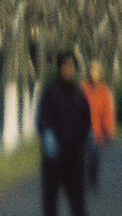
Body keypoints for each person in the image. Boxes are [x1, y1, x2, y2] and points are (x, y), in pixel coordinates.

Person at [36, 49, 92, 216]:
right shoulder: (50, 91)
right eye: (65, 66)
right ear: (59, 68)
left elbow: (85, 118)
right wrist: (47, 135)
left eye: (72, 66)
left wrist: (88, 135)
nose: (69, 70)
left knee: (78, 201)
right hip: (54, 157)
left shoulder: (78, 93)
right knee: (50, 201)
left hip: (74, 155)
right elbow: (42, 118)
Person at [81, 60, 116, 191]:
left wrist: (109, 129)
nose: (94, 74)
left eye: (96, 71)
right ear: (88, 72)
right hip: (82, 129)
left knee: (94, 156)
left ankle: (92, 180)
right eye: (92, 71)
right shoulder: (82, 88)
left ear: (100, 74)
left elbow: (108, 111)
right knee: (82, 157)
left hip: (97, 130)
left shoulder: (104, 90)